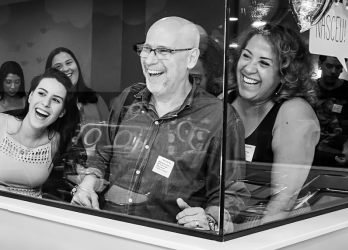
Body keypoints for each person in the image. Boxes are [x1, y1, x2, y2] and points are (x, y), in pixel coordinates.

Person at [71, 17, 247, 232]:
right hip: (108, 231)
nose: (149, 61)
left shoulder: (219, 118)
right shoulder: (128, 99)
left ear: (191, 58)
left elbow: (231, 193)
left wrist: (210, 219)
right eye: (146, 49)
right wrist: (90, 181)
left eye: (164, 51)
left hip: (169, 245)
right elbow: (102, 155)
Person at [228, 23, 320, 223]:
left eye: (264, 63)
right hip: (225, 221)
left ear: (284, 73)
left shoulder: (294, 112)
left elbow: (282, 203)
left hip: (268, 225)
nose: (249, 68)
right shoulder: (223, 101)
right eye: (246, 56)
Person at [0, 69, 79, 197]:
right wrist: (4, 193)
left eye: (56, 100)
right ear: (31, 96)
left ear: (62, 112)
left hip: (31, 213)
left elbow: (83, 171)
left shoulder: (56, 141)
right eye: (42, 94)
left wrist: (82, 188)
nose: (46, 103)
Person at [46, 47, 109, 125]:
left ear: (77, 65)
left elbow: (109, 133)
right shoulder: (46, 102)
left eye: (68, 63)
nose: (65, 69)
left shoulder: (95, 98)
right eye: (58, 66)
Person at [315, 55, 348, 135]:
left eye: (338, 67)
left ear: (342, 68)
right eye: (329, 66)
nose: (333, 71)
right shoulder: (308, 89)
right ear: (320, 64)